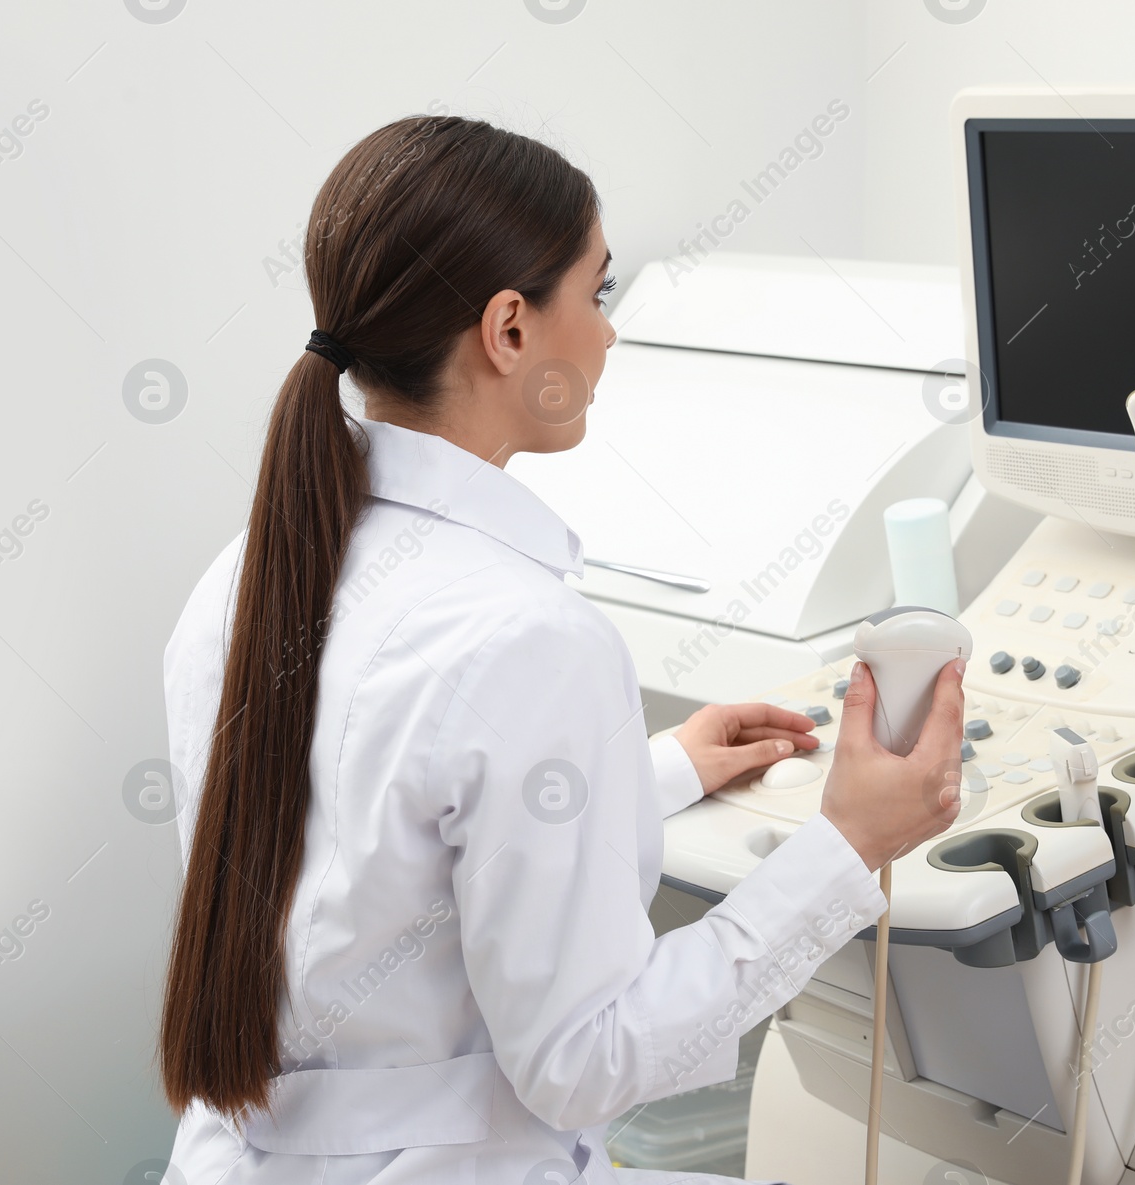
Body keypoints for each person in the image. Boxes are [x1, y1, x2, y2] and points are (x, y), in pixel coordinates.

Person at [158, 114, 965, 1185]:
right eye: (597, 292)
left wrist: (659, 769)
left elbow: (379, 848)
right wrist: (848, 845)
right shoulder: (529, 636)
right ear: (508, 331)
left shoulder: (248, 575)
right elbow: (583, 1065)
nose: (610, 333)